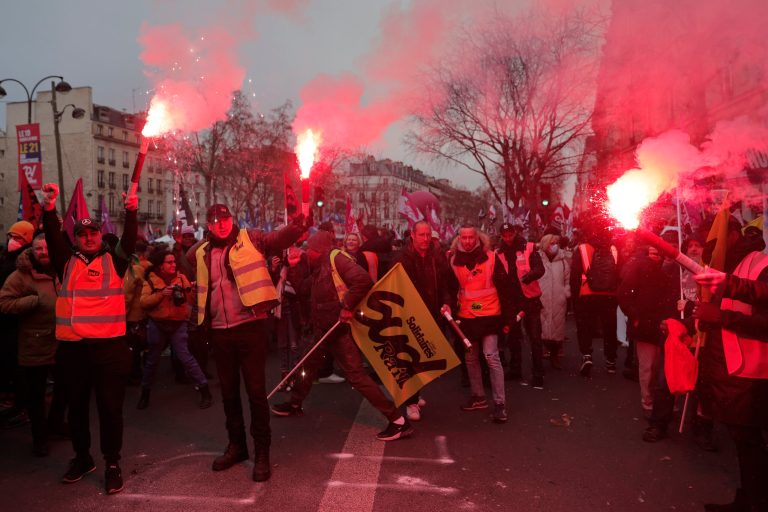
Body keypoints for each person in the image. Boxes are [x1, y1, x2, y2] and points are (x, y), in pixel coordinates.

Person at [186, 204, 308, 482]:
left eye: (225, 219)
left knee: (255, 393)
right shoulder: (202, 252)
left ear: (232, 219)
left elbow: (277, 239)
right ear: (208, 224)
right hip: (219, 331)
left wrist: (297, 227)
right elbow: (188, 256)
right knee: (228, 394)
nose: (222, 225)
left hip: (250, 326)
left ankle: (262, 452)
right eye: (215, 221)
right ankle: (237, 446)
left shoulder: (251, 239)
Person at [270, 231, 414, 441]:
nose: (305, 253)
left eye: (308, 249)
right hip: (325, 327)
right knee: (308, 365)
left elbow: (363, 281)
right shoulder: (321, 264)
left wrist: (347, 307)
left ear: (317, 249)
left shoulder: (336, 258)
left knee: (356, 375)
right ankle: (294, 403)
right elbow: (302, 289)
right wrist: (292, 268)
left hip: (339, 329)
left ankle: (398, 421)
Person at [41, 182, 136, 495]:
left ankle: (112, 463)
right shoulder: (66, 262)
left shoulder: (116, 261)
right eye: (82, 234)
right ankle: (82, 458)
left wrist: (131, 210)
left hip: (109, 350)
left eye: (93, 233)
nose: (89, 237)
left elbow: (130, 239)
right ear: (76, 239)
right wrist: (49, 206)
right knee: (78, 409)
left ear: (100, 234)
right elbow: (54, 239)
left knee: (110, 410)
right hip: (74, 351)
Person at [689, 218, 768, 512]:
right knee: (744, 444)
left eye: (715, 243)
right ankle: (747, 499)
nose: (710, 251)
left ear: (733, 235)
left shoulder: (760, 265)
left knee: (751, 445)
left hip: (754, 376)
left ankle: (756, 502)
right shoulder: (730, 267)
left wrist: (720, 317)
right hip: (733, 374)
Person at [0, 234, 66, 456]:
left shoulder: (61, 269)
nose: (44, 253)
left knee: (65, 388)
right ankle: (40, 438)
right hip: (34, 343)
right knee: (36, 396)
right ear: (32, 251)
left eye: (48, 248)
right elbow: (4, 303)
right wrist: (31, 302)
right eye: (39, 249)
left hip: (62, 340)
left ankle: (55, 424)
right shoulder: (20, 276)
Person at [449, 225, 512, 423]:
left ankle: (500, 404)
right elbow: (451, 288)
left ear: (478, 239)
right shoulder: (453, 260)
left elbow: (505, 287)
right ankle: (478, 397)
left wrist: (508, 318)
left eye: (471, 238)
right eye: (464, 238)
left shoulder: (492, 257)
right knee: (470, 358)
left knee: (491, 357)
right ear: (459, 238)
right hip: (467, 317)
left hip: (490, 315)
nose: (467, 241)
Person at [394, 220, 456, 421]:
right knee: (412, 358)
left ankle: (415, 394)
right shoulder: (402, 257)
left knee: (425, 357)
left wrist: (447, 302)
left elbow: (446, 283)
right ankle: (411, 402)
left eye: (428, 235)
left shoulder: (436, 256)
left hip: (433, 314)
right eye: (422, 235)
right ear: (413, 235)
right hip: (410, 315)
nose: (426, 239)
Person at [137, 250, 211, 410]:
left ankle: (205, 390)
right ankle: (145, 393)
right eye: (169, 262)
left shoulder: (181, 278)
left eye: (173, 261)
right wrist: (161, 294)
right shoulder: (151, 281)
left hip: (178, 323)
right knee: (152, 360)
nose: (173, 265)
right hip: (158, 324)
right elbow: (143, 302)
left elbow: (190, 300)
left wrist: (189, 289)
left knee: (186, 357)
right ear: (160, 266)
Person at [618, 244, 677, 417]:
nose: (657, 257)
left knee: (666, 367)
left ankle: (666, 402)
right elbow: (624, 294)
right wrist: (636, 316)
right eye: (653, 253)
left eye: (661, 254)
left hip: (668, 324)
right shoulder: (638, 267)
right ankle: (649, 403)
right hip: (646, 325)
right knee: (648, 367)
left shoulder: (674, 271)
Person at [496, 223, 545, 388]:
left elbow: (540, 269)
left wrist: (527, 277)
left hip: (530, 299)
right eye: (505, 234)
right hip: (511, 301)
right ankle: (515, 369)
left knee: (535, 337)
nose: (508, 237)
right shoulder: (499, 253)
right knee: (513, 338)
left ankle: (538, 373)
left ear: (515, 233)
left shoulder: (528, 247)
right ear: (501, 235)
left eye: (510, 233)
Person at [570, 218, 620, 377]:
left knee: (585, 326)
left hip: (587, 294)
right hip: (609, 295)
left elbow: (574, 276)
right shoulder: (614, 249)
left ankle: (587, 355)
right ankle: (610, 359)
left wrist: (574, 297)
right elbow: (619, 273)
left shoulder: (582, 249)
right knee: (609, 327)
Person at [0, 220, 35, 429]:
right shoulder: (7, 259)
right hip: (7, 323)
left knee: (21, 371)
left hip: (19, 324)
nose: (13, 241)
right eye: (12, 237)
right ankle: (18, 404)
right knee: (12, 368)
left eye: (18, 238)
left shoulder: (25, 264)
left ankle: (25, 408)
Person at [538, 233, 571, 370]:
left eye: (556, 242)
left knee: (557, 328)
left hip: (558, 298)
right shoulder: (538, 259)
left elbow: (567, 279)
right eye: (552, 243)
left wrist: (565, 292)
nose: (554, 245)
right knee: (543, 327)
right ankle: (544, 350)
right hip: (542, 297)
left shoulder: (563, 261)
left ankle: (555, 354)